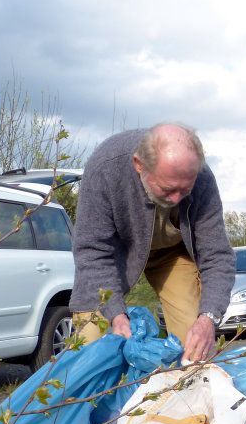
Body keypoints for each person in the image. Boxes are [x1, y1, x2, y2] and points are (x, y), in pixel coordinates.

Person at [69, 123, 235, 364]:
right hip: (115, 255)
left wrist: (208, 318)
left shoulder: (202, 178)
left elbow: (217, 255)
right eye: (168, 189)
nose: (177, 198)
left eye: (184, 189)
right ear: (139, 165)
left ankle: (182, 395)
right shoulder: (105, 168)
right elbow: (92, 252)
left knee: (194, 344)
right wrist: (116, 314)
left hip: (172, 254)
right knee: (88, 346)